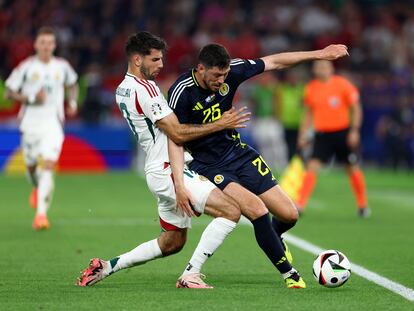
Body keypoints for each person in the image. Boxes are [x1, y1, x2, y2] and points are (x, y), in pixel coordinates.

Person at [77, 32, 250, 288]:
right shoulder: (145, 89)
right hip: (168, 168)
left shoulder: (122, 88)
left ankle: (106, 267)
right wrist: (219, 124)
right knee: (230, 210)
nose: (161, 65)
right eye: (155, 59)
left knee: (173, 242)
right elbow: (177, 133)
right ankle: (190, 275)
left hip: (157, 169)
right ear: (137, 59)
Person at [168, 42, 349, 288]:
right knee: (256, 209)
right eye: (216, 75)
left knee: (289, 214)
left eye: (225, 74)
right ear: (200, 68)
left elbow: (275, 61)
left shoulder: (233, 71)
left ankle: (274, 236)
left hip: (239, 153)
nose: (222, 80)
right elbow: (176, 135)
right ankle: (290, 274)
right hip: (209, 165)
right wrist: (218, 125)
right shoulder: (182, 91)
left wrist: (320, 54)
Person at [5, 26, 79, 230]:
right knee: (31, 167)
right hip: (29, 124)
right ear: (36, 45)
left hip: (52, 124)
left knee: (48, 164)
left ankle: (41, 215)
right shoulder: (26, 67)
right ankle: (38, 188)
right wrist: (30, 97)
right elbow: (8, 92)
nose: (46, 46)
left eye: (50, 43)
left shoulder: (62, 66)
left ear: (54, 45)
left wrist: (71, 103)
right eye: (42, 43)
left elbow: (73, 84)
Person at [296, 60, 370, 217]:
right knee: (312, 166)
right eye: (318, 67)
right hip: (322, 134)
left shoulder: (342, 84)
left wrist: (355, 130)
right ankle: (300, 205)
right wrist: (303, 134)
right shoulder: (311, 87)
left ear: (331, 69)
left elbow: (356, 108)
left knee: (351, 167)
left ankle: (363, 205)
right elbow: (308, 114)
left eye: (324, 66)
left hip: (342, 132)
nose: (321, 69)